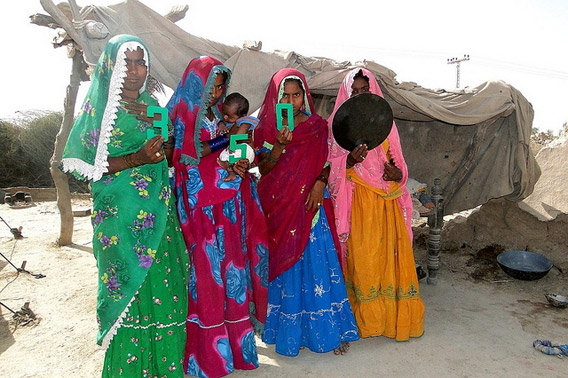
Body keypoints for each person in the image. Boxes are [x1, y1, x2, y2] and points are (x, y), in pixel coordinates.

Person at [61, 34, 189, 377]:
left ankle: (164, 367)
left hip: (159, 215)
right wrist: (134, 158)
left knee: (166, 285)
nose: (135, 71)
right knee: (128, 293)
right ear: (111, 67)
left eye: (141, 62)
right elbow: (83, 163)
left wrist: (156, 121)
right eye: (127, 62)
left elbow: (170, 155)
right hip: (120, 218)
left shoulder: (155, 107)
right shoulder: (101, 110)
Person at [166, 56, 268, 378]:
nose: (217, 92)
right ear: (197, 84)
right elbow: (191, 152)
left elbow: (231, 152)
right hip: (201, 205)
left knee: (232, 268)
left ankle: (237, 350)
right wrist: (229, 138)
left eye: (222, 85)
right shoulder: (184, 114)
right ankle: (208, 356)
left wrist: (241, 165)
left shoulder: (217, 116)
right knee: (207, 274)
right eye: (212, 85)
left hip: (228, 203)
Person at [254, 68, 359, 357]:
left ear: (305, 97)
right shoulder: (267, 129)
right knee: (286, 263)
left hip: (311, 203)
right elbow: (263, 168)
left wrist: (319, 183)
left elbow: (328, 160)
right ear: (275, 99)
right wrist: (278, 146)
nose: (291, 101)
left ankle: (326, 330)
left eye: (296, 95)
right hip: (280, 206)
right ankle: (288, 331)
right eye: (284, 96)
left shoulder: (317, 126)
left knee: (316, 263)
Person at [327, 67, 425, 341]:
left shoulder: (387, 124)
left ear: (374, 92)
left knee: (389, 260)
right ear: (346, 94)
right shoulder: (337, 126)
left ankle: (392, 318)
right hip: (359, 202)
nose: (359, 96)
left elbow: (399, 165)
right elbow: (328, 169)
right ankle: (367, 321)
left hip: (388, 205)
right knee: (366, 259)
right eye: (354, 92)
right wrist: (348, 161)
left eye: (364, 91)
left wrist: (398, 175)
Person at [216, 92, 258, 181]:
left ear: (242, 116)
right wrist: (221, 125)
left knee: (230, 155)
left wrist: (233, 142)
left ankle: (229, 166)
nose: (225, 117)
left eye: (230, 117)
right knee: (224, 155)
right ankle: (231, 173)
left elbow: (243, 129)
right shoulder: (229, 121)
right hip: (236, 150)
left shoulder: (245, 121)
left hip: (245, 150)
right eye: (224, 114)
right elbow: (221, 122)